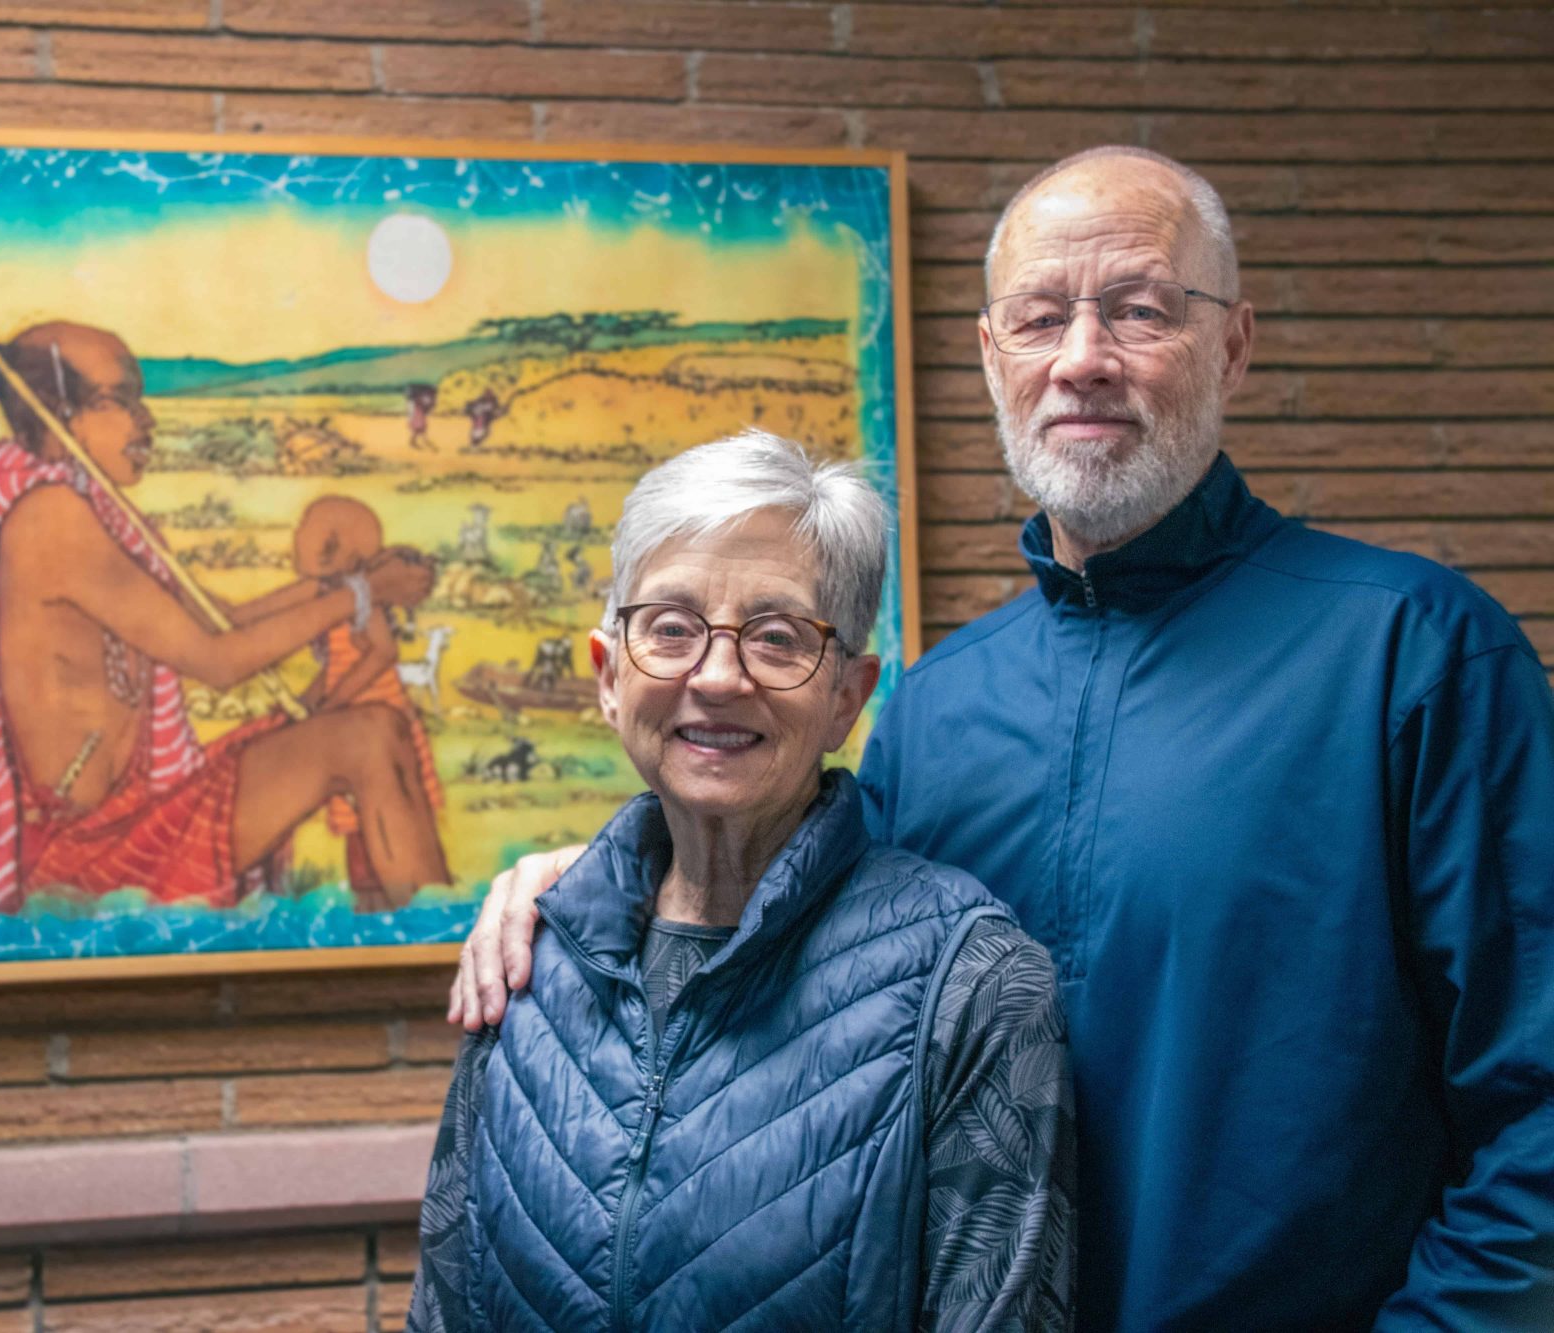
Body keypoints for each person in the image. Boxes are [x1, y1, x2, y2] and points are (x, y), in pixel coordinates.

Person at [448, 148, 1554, 1329]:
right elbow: (782, 925)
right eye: (1038, 319)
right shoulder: (933, 707)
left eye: (1137, 309)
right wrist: (578, 884)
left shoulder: (1412, 654)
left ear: (1230, 344)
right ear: (992, 359)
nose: (1082, 358)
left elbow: (1534, 1109)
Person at [407, 432, 1074, 1332]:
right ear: (609, 676)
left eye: (775, 636)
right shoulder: (529, 958)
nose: (717, 676)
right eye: (672, 628)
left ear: (847, 695)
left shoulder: (974, 986)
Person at [0, 320, 449, 913]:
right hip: (90, 853)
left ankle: (402, 940)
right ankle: (439, 953)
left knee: (373, 729)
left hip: (144, 816)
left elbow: (220, 619)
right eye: (121, 401)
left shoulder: (92, 512)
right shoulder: (50, 519)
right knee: (367, 738)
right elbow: (218, 661)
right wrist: (362, 593)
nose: (147, 422)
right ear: (63, 416)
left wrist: (347, 584)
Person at [291, 494, 447, 909]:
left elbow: (382, 653)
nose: (295, 537)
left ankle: (388, 908)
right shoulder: (333, 598)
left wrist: (331, 703)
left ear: (335, 549)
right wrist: (310, 700)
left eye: (307, 528)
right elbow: (335, 669)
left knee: (379, 824)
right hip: (354, 725)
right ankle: (373, 907)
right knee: (358, 823)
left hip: (376, 720)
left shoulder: (360, 602)